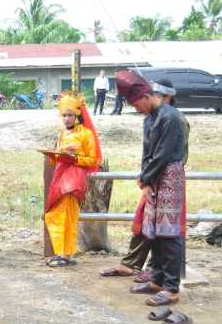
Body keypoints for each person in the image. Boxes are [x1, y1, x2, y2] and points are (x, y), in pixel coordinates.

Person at [100, 78, 188, 281]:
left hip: (168, 177)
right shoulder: (150, 118)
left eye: (136, 104)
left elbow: (165, 154)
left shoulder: (173, 118)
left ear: (148, 97)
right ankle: (155, 278)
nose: (136, 109)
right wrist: (145, 177)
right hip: (153, 177)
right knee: (151, 229)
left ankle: (170, 285)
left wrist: (146, 176)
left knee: (169, 232)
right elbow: (147, 152)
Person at [43, 92, 101, 267]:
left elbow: (94, 160)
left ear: (77, 116)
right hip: (60, 177)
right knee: (54, 214)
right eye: (64, 116)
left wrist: (75, 158)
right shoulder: (62, 133)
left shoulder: (86, 135)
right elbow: (58, 157)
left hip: (74, 179)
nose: (67, 119)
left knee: (66, 215)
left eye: (70, 115)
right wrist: (53, 155)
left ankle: (64, 254)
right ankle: (63, 252)